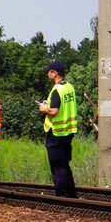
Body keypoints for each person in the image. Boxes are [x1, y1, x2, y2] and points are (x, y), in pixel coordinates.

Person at [38, 61, 79, 198]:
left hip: (56, 132)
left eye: (48, 71)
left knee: (57, 166)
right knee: (64, 164)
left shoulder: (57, 89)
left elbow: (54, 111)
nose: (47, 74)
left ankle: (63, 197)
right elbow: (63, 106)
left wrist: (44, 108)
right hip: (68, 131)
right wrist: (48, 103)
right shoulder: (69, 87)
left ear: (54, 72)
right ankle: (71, 194)